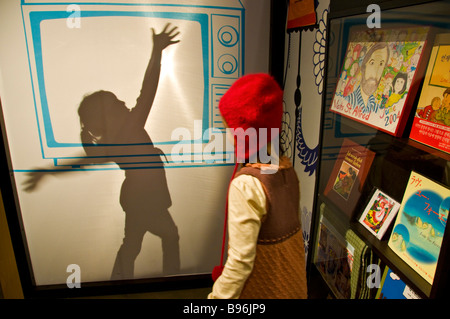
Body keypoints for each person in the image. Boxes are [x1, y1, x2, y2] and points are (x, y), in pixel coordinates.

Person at [23, 23, 181, 280]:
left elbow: (81, 163)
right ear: (108, 118)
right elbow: (149, 89)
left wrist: (48, 172)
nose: (125, 104)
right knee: (160, 237)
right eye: (118, 104)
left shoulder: (112, 142)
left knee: (134, 243)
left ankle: (123, 280)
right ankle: (166, 277)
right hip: (145, 198)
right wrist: (157, 51)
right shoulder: (130, 127)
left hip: (138, 197)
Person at [208, 73, 308, 299]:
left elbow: (240, 263)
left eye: (229, 126)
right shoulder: (287, 171)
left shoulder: (246, 186)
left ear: (241, 133)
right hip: (293, 288)